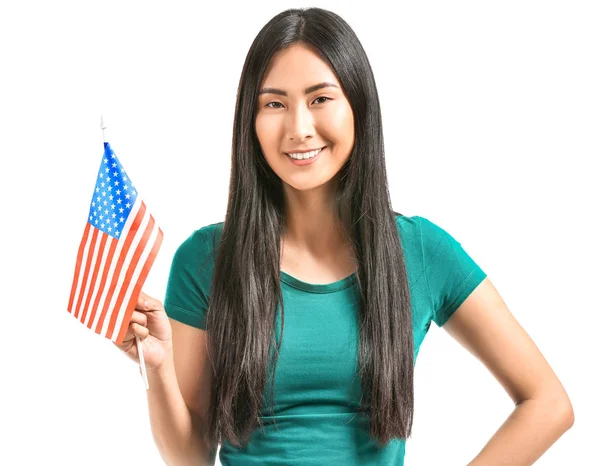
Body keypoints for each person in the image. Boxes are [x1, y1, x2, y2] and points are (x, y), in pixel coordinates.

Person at [114, 7, 574, 465]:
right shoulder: (204, 259)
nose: (298, 128)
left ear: (358, 106)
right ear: (250, 123)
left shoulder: (421, 250)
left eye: (320, 99)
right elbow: (190, 456)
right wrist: (157, 368)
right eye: (274, 103)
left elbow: (547, 403)